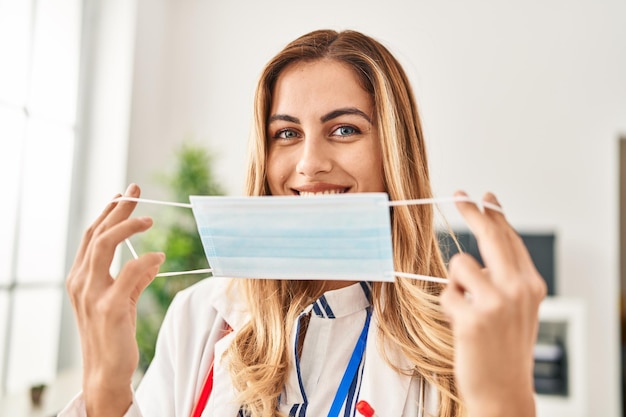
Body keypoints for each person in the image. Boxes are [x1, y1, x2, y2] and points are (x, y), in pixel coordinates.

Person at [59, 29, 546, 417]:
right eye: (287, 133)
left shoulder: (461, 338)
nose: (310, 164)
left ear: (395, 153)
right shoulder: (200, 316)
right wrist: (105, 384)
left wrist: (505, 403)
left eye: (344, 129)